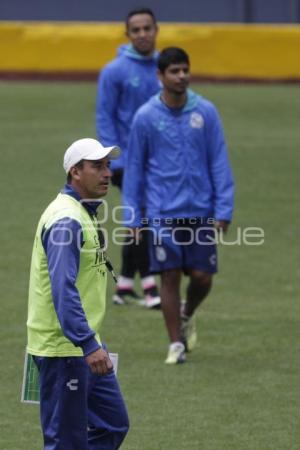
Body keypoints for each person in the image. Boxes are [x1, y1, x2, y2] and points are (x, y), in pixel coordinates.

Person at [122, 48, 235, 364]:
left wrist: (223, 208)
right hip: (162, 213)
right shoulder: (146, 117)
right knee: (169, 276)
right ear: (160, 76)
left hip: (199, 211)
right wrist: (132, 215)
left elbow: (219, 160)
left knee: (202, 277)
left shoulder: (206, 112)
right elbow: (135, 167)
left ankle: (187, 312)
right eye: (174, 71)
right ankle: (175, 344)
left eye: (185, 70)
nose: (181, 76)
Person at [26, 138, 129, 449]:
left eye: (108, 165)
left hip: (85, 343)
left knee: (112, 425)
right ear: (75, 172)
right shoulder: (66, 220)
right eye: (97, 166)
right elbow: (63, 287)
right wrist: (86, 342)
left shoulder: (83, 212)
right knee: (66, 441)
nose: (107, 173)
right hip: (65, 349)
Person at [96, 7, 161, 308]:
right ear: (128, 34)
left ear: (156, 29)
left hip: (159, 162)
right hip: (127, 161)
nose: (143, 34)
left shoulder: (164, 66)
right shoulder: (114, 71)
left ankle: (124, 285)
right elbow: (105, 117)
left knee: (143, 219)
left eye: (147, 28)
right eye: (136, 30)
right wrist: (114, 160)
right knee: (142, 219)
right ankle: (149, 287)